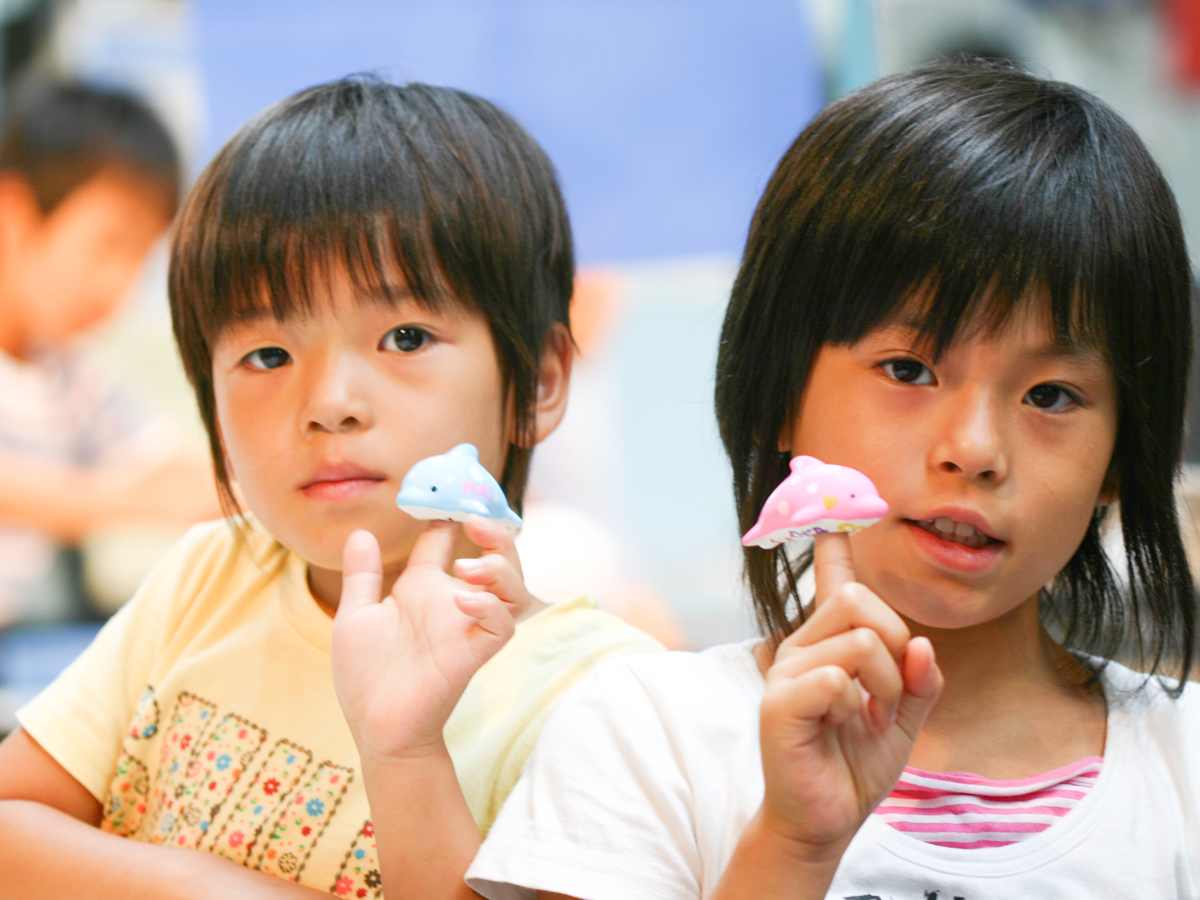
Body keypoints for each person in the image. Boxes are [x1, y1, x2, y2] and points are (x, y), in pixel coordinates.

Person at [466, 59, 1200, 898]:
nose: (975, 449)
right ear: (781, 391)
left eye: (1052, 395)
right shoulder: (648, 736)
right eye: (909, 370)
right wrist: (793, 844)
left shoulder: (1187, 772)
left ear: (1120, 456)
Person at [0, 77, 661, 898]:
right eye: (267, 356)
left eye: (404, 336)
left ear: (539, 383)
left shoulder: (598, 697)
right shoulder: (206, 577)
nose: (329, 405)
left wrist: (405, 753)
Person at [0, 80, 221, 623]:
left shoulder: (68, 375)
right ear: (13, 213)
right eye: (108, 244)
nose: (118, 287)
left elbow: (170, 469)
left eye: (141, 256)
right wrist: (124, 502)